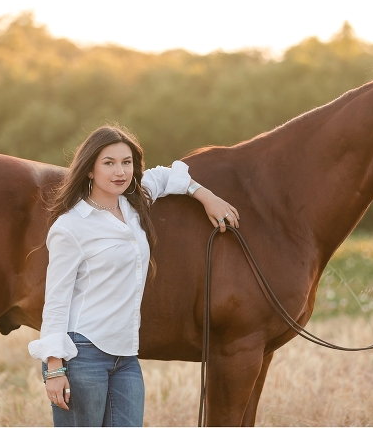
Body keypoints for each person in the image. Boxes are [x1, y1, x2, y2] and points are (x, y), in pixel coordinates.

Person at [28, 125, 239, 426]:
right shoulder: (71, 227)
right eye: (109, 163)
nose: (120, 171)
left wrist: (205, 196)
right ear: (89, 169)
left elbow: (167, 176)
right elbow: (56, 301)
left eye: (126, 162)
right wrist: (54, 368)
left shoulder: (134, 204)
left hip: (125, 356)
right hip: (83, 354)